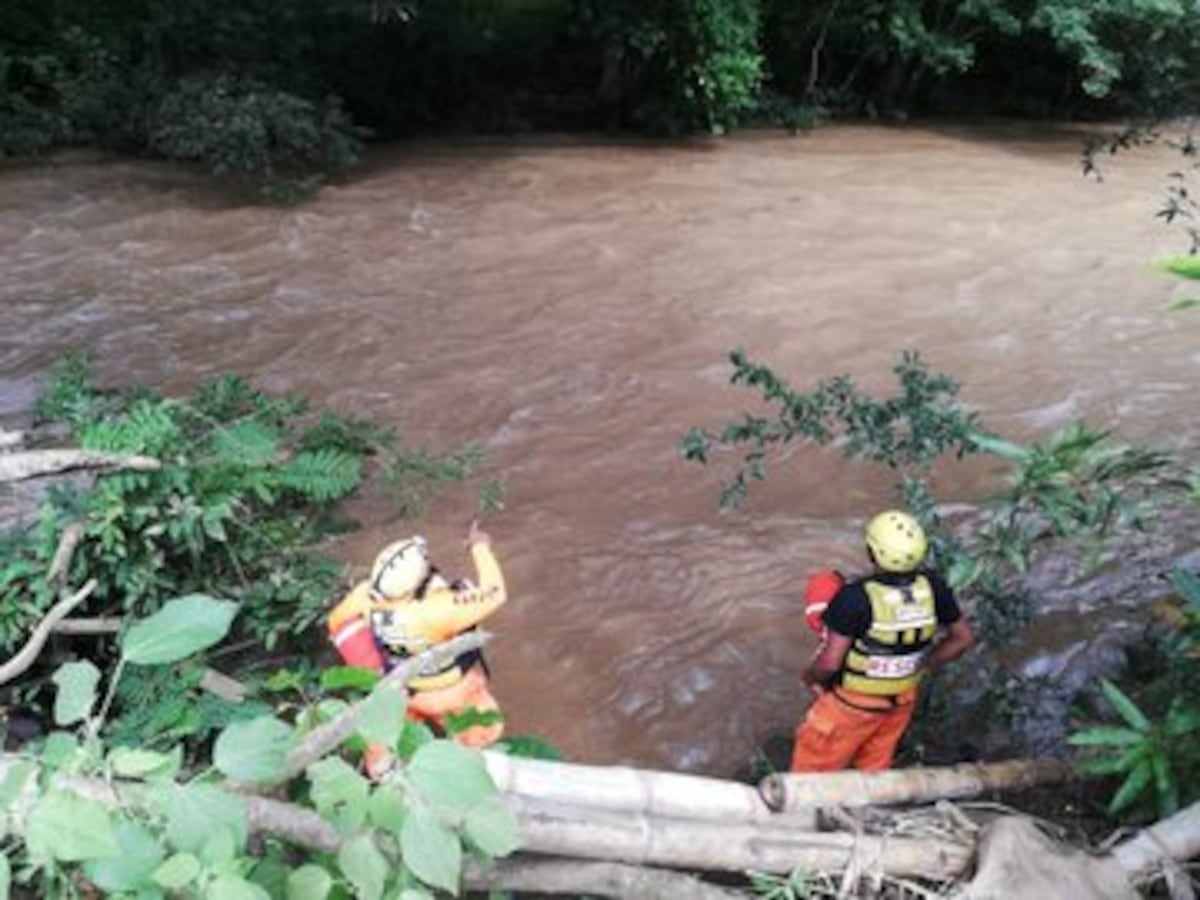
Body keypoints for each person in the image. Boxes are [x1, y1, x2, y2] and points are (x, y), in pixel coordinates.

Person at [790, 510, 975, 773]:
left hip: (850, 705)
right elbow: (963, 638)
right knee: (874, 766)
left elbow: (830, 663)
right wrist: (921, 664)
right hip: (900, 701)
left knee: (811, 774)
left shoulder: (854, 598)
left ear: (872, 553)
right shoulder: (934, 588)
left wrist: (811, 678)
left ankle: (807, 812)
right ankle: (869, 808)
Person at [327, 520, 507, 778]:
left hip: (405, 692)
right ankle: (473, 774)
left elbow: (337, 622)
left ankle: (382, 773)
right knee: (481, 733)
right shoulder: (440, 610)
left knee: (387, 741)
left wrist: (373, 668)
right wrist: (480, 547)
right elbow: (495, 593)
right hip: (452, 691)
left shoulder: (365, 597)